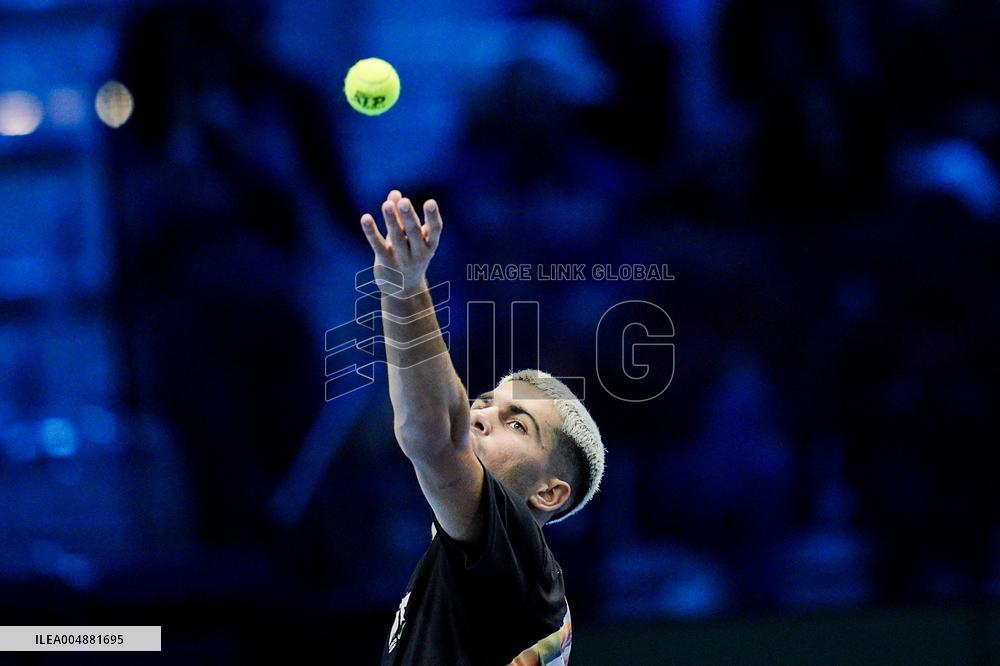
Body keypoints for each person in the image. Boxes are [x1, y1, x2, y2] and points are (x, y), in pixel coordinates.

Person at [359, 190, 606, 665]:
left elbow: (437, 439)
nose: (479, 417)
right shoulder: (491, 579)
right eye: (485, 402)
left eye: (517, 424)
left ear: (549, 493)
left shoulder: (519, 567)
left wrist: (406, 289)